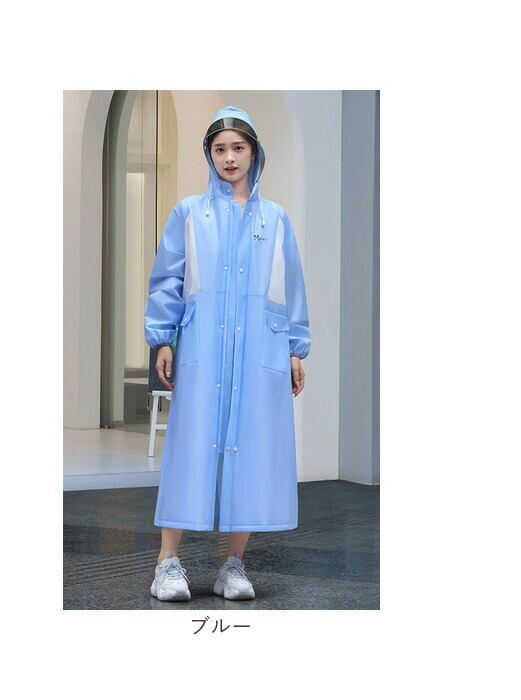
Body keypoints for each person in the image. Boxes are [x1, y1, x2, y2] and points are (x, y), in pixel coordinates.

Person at [144, 105, 311, 601]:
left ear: (254, 153)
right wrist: (162, 338)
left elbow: (290, 288)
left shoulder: (275, 219)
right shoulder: (189, 214)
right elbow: (167, 279)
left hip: (260, 347)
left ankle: (232, 564)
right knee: (189, 448)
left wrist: (295, 350)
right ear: (209, 155)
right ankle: (166, 562)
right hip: (203, 347)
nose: (229, 158)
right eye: (220, 149)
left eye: (238, 148)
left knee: (252, 449)